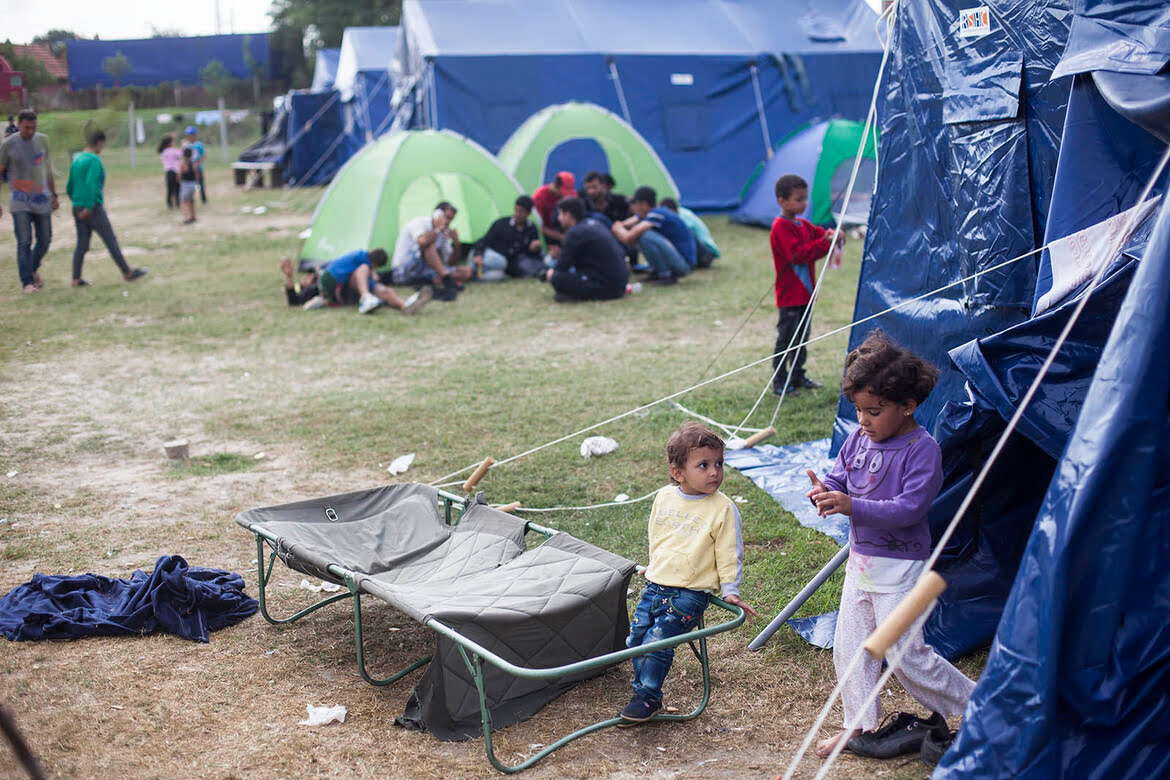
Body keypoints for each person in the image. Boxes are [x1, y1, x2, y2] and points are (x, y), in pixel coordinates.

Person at [809, 332, 975, 761]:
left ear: (907, 406)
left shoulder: (922, 450)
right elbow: (840, 478)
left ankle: (980, 707)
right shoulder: (858, 439)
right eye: (859, 410)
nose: (863, 420)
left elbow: (908, 509)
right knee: (850, 649)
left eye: (874, 411)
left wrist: (852, 506)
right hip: (861, 565)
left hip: (902, 570)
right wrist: (825, 491)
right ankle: (859, 725)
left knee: (907, 656)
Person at [620, 422, 757, 724]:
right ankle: (642, 689)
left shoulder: (722, 508)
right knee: (635, 640)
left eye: (719, 464)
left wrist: (730, 589)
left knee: (657, 642)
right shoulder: (664, 498)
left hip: (689, 593)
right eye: (704, 465)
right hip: (657, 585)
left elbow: (729, 551)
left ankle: (647, 697)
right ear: (678, 473)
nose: (714, 472)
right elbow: (659, 535)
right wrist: (654, 564)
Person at [770, 174, 844, 395]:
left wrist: (833, 233)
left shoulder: (802, 224)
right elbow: (797, 255)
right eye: (798, 199)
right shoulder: (780, 227)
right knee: (787, 341)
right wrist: (825, 243)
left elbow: (820, 233)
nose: (804, 203)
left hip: (806, 296)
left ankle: (798, 376)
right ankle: (780, 382)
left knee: (801, 339)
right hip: (790, 297)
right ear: (782, 201)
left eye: (805, 199)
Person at [65, 130, 148, 287]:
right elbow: (92, 184)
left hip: (77, 206)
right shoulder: (94, 160)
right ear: (99, 143)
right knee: (110, 241)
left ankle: (76, 278)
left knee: (82, 244)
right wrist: (89, 207)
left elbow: (69, 186)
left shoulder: (77, 159)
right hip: (93, 208)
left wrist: (78, 203)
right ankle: (127, 273)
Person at [0, 109, 58, 293]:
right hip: (19, 201)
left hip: (41, 198)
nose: (31, 131)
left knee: (46, 238)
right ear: (18, 124)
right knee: (24, 241)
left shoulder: (43, 140)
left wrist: (54, 195)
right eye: (27, 128)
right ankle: (27, 283)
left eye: (34, 127)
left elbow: (48, 169)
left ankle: (32, 268)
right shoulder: (8, 144)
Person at [542, 197, 628, 302]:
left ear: (568, 215)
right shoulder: (595, 224)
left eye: (560, 214)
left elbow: (561, 267)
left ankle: (575, 296)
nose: (558, 218)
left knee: (556, 277)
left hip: (607, 288)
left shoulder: (574, 233)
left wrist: (552, 273)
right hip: (620, 284)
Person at [302, 247, 431, 315]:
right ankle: (365, 299)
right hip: (337, 291)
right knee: (367, 276)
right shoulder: (363, 263)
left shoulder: (358, 257)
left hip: (342, 288)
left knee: (381, 289)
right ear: (375, 264)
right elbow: (330, 279)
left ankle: (405, 305)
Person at [388, 201, 473, 300]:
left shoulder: (443, 232)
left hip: (423, 272)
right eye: (447, 217)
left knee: (467, 272)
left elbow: (450, 263)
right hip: (403, 271)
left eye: (451, 219)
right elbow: (423, 241)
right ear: (437, 214)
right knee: (429, 244)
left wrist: (456, 243)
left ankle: (437, 279)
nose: (448, 222)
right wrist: (438, 229)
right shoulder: (419, 223)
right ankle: (447, 280)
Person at [612, 186, 695, 285]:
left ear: (644, 204)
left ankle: (665, 275)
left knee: (645, 236)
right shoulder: (652, 213)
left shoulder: (657, 214)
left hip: (682, 265)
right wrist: (620, 226)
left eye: (635, 204)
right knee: (642, 235)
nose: (633, 208)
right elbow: (626, 224)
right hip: (678, 261)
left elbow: (629, 237)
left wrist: (617, 229)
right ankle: (657, 272)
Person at [470, 195, 543, 280]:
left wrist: (534, 248)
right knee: (501, 262)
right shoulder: (501, 224)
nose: (518, 214)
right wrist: (478, 254)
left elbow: (530, 253)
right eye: (516, 210)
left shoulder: (531, 228)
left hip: (508, 266)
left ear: (528, 213)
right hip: (492, 258)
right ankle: (472, 266)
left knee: (500, 276)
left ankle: (476, 275)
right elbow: (484, 241)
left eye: (522, 211)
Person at [660, 197, 720, 269]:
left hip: (707, 253)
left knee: (681, 234)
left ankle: (689, 262)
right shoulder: (680, 212)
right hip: (702, 250)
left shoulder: (681, 218)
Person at [532, 171, 576, 249]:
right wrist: (560, 237)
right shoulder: (539, 197)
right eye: (563, 192)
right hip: (545, 236)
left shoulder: (566, 197)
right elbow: (538, 226)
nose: (564, 196)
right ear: (555, 186)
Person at [181, 126, 207, 204]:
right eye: (188, 135)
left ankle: (203, 199)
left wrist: (199, 163)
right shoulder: (185, 145)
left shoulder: (199, 145)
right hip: (189, 169)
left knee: (201, 184)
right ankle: (190, 199)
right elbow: (183, 156)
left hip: (198, 167)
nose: (190, 137)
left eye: (191, 135)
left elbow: (204, 155)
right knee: (190, 185)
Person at [158, 134, 181, 209]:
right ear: (170, 143)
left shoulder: (163, 152)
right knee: (177, 188)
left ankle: (169, 203)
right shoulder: (173, 151)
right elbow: (181, 154)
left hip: (168, 172)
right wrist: (183, 145)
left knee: (170, 189)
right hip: (175, 171)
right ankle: (178, 202)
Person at [178, 148, 198, 224]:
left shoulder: (183, 164)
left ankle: (187, 217)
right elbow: (197, 174)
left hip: (186, 184)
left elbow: (179, 175)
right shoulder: (194, 163)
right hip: (193, 184)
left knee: (183, 202)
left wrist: (179, 182)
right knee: (190, 201)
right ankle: (193, 216)